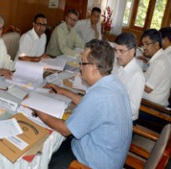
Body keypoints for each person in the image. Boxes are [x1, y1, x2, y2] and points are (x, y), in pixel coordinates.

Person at [37, 39, 132, 169]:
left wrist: (38, 109)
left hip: (91, 163)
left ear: (93, 68)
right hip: (111, 158)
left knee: (45, 155)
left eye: (82, 63)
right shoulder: (114, 83)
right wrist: (64, 92)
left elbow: (65, 130)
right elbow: (93, 108)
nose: (80, 67)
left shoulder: (98, 96)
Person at [112, 32, 145, 122]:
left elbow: (133, 109)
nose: (117, 55)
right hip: (115, 113)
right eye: (116, 50)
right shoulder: (122, 66)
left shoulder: (136, 75)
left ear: (132, 51)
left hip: (123, 121)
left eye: (121, 51)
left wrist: (110, 102)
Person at [141, 29, 171, 106]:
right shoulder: (163, 57)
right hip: (153, 101)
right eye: (143, 44)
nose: (144, 47)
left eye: (146, 44)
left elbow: (148, 88)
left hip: (152, 106)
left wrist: (133, 78)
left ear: (156, 45)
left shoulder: (160, 62)